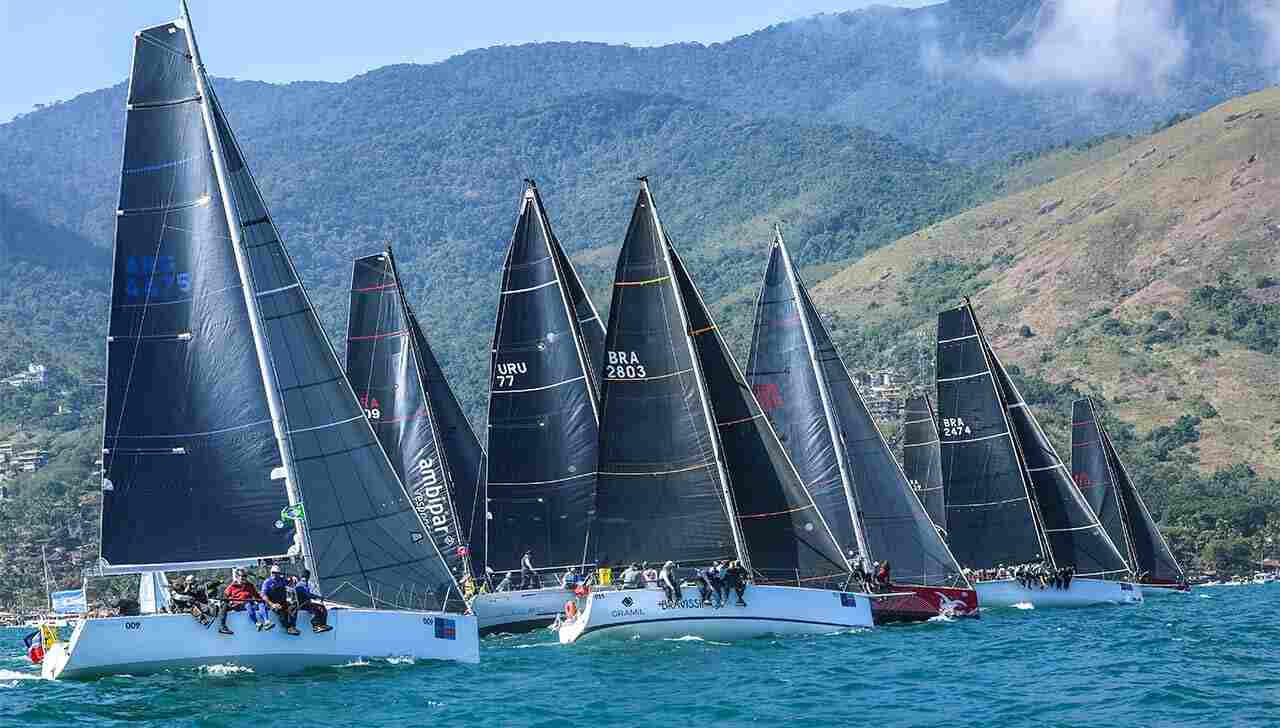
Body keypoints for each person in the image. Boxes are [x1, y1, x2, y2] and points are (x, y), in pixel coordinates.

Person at [222, 568, 271, 634]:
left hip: (249, 603)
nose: (243, 578)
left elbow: (256, 596)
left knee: (261, 603)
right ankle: (256, 622)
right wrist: (228, 601)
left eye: (244, 576)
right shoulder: (232, 586)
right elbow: (225, 596)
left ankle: (266, 621)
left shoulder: (250, 585)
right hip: (238, 605)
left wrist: (263, 600)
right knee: (247, 604)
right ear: (237, 576)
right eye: (241, 576)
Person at [262, 565, 299, 636]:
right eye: (273, 572)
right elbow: (263, 595)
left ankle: (292, 626)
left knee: (294, 606)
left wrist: (293, 578)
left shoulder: (282, 580)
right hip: (274, 603)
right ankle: (288, 628)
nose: (274, 574)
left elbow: (288, 581)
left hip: (283, 602)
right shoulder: (267, 582)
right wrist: (272, 604)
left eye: (276, 573)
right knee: (281, 611)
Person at [293, 569, 332, 633]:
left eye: (306, 577)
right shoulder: (300, 585)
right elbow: (307, 595)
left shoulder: (305, 584)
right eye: (304, 577)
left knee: (322, 607)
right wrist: (318, 597)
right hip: (303, 605)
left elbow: (309, 594)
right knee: (317, 608)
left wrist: (318, 597)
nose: (305, 579)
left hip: (307, 603)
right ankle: (316, 626)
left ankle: (323, 625)